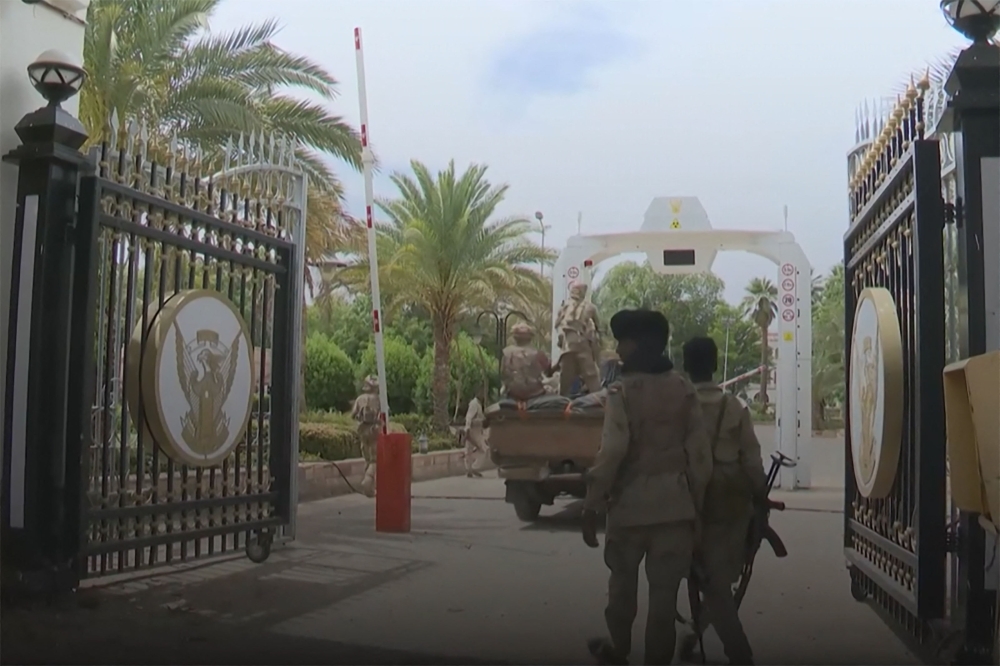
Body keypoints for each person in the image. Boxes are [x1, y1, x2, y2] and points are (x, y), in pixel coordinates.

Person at [581, 309, 713, 666]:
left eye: (623, 341)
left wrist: (593, 502)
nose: (619, 350)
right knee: (664, 599)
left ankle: (619, 648)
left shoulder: (621, 392)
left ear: (638, 345)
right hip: (675, 509)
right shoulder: (684, 389)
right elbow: (700, 456)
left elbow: (611, 451)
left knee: (622, 590)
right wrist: (696, 506)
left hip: (629, 509)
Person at [678, 336, 768, 666]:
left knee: (704, 577)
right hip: (729, 494)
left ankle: (699, 636)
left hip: (683, 495)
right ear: (715, 365)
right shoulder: (735, 407)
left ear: (685, 366)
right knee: (718, 579)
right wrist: (761, 497)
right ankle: (735, 650)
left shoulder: (678, 406)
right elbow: (752, 460)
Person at [554, 282, 601, 396]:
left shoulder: (564, 307)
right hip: (582, 344)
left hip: (568, 345)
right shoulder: (590, 307)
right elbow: (599, 326)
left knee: (565, 376)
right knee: (591, 375)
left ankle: (561, 399)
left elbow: (557, 325)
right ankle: (598, 400)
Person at [500, 322, 551, 401]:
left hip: (513, 392)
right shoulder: (538, 353)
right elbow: (548, 370)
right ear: (530, 338)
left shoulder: (506, 352)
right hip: (535, 392)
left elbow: (503, 374)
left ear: (515, 337)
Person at [351, 375, 381, 497]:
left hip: (362, 430)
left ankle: (369, 488)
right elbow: (384, 414)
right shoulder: (378, 399)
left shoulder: (360, 399)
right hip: (374, 431)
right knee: (375, 459)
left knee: (367, 457)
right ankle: (368, 482)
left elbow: (353, 415)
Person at [464, 390, 490, 477]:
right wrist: (467, 429)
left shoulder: (479, 404)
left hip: (477, 429)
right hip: (473, 429)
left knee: (469, 450)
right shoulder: (474, 404)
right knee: (483, 449)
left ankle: (469, 469)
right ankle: (474, 467)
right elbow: (469, 417)